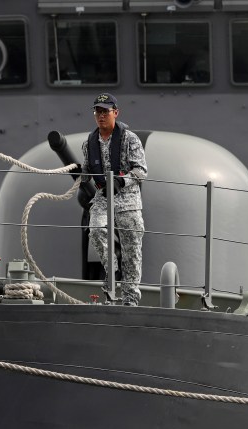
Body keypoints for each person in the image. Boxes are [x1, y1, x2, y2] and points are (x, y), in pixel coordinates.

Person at [80, 93, 147, 306]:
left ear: (115, 113)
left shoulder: (130, 139)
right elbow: (88, 167)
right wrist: (81, 173)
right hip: (103, 197)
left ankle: (130, 299)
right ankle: (111, 271)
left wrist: (121, 182)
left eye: (105, 111)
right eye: (97, 111)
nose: (101, 116)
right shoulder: (89, 143)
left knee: (132, 249)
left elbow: (141, 170)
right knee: (97, 230)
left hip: (127, 200)